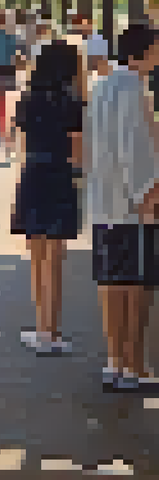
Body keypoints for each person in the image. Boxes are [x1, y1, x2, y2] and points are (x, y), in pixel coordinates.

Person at [85, 23, 159, 392]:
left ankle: (115, 361)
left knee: (110, 282)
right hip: (133, 204)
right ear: (141, 52)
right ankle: (135, 365)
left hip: (104, 200)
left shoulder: (102, 87)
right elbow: (135, 150)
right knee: (138, 283)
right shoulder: (133, 88)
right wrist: (150, 192)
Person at [11, 40, 83, 356]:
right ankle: (50, 331)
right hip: (60, 174)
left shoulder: (28, 99)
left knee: (37, 254)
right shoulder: (72, 102)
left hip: (32, 174)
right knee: (55, 257)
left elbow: (20, 143)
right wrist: (79, 180)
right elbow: (77, 148)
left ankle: (41, 329)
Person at [0, 11, 24, 150]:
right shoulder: (11, 37)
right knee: (6, 99)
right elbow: (17, 54)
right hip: (8, 69)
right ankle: (5, 127)